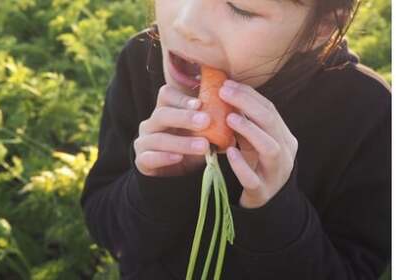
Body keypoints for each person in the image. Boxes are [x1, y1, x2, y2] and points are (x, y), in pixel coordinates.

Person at [80, 0, 391, 279]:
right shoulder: (140, 61)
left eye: (240, 8)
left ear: (321, 27)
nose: (185, 24)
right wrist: (152, 187)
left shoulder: (369, 114)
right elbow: (106, 228)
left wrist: (276, 211)